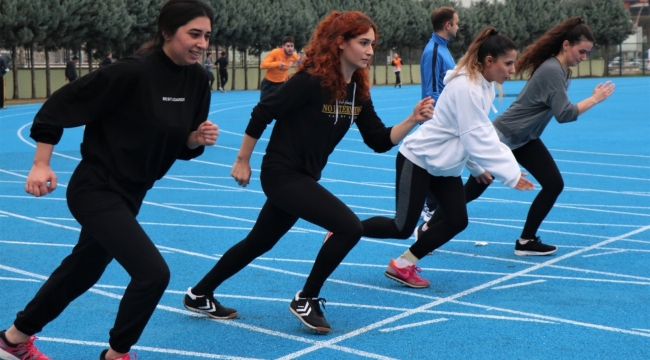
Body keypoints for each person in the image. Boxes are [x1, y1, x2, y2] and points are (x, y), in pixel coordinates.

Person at [183, 10, 434, 334]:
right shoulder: (309, 81)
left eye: (373, 43)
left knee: (258, 242)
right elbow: (263, 112)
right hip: (282, 174)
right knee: (348, 227)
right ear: (340, 43)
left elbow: (378, 140)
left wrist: (412, 120)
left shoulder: (356, 91)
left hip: (303, 176)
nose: (371, 50)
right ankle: (307, 298)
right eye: (363, 42)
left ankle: (199, 293)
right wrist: (242, 159)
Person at [0, 1, 218, 359]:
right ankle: (117, 355)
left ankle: (12, 341)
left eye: (207, 36)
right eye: (194, 34)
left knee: (82, 270)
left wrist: (196, 138)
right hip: (96, 186)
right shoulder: (130, 73)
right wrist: (41, 163)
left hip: (133, 193)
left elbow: (179, 142)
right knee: (153, 274)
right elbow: (59, 105)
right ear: (167, 32)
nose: (202, 43)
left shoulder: (198, 80)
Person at [425, 17, 615, 257]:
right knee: (474, 188)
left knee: (554, 184)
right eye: (582, 51)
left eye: (588, 53)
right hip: (505, 135)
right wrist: (595, 98)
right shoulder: (552, 70)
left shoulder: (560, 70)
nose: (584, 57)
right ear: (566, 45)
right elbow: (564, 114)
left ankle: (526, 241)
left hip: (525, 137)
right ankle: (428, 228)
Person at [360, 28, 534, 288]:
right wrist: (511, 173)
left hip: (443, 166)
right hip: (418, 159)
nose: (512, 69)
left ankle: (403, 265)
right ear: (489, 61)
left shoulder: (482, 85)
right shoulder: (467, 87)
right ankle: (345, 228)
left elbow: (465, 133)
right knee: (402, 227)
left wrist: (476, 169)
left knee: (457, 220)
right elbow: (477, 135)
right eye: (507, 63)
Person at [419, 6, 460, 223]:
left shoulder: (443, 48)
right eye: (457, 22)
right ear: (448, 25)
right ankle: (429, 205)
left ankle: (431, 203)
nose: (458, 26)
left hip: (446, 116)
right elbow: (433, 90)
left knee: (443, 162)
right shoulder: (434, 50)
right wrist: (436, 119)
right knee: (434, 163)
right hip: (437, 117)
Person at [259, 36, 299, 100]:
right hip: (268, 83)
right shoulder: (275, 52)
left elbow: (301, 65)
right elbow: (262, 65)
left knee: (279, 105)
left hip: (281, 84)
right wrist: (277, 64)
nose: (290, 48)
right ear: (283, 47)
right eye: (288, 46)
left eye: (292, 46)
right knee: (264, 105)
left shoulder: (295, 57)